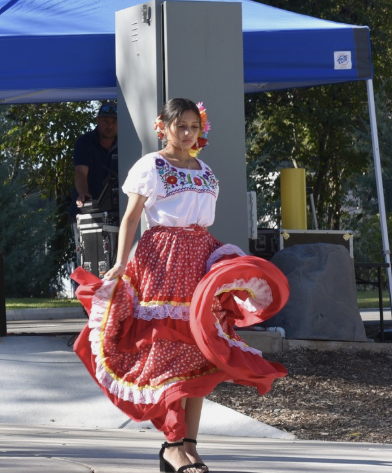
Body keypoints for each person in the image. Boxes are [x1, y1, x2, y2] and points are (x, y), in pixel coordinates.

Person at [71, 98, 288, 473]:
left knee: (200, 353)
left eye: (193, 126)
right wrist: (120, 262)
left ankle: (190, 445)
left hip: (198, 261)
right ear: (164, 127)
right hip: (163, 260)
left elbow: (202, 221)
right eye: (180, 126)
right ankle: (172, 445)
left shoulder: (205, 170)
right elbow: (131, 217)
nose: (187, 133)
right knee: (168, 352)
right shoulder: (151, 166)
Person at [73, 102, 118, 213]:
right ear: (97, 120)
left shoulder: (126, 142)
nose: (110, 126)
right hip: (87, 208)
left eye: (114, 121)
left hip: (118, 208)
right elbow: (80, 172)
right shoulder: (84, 142)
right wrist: (83, 193)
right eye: (105, 121)